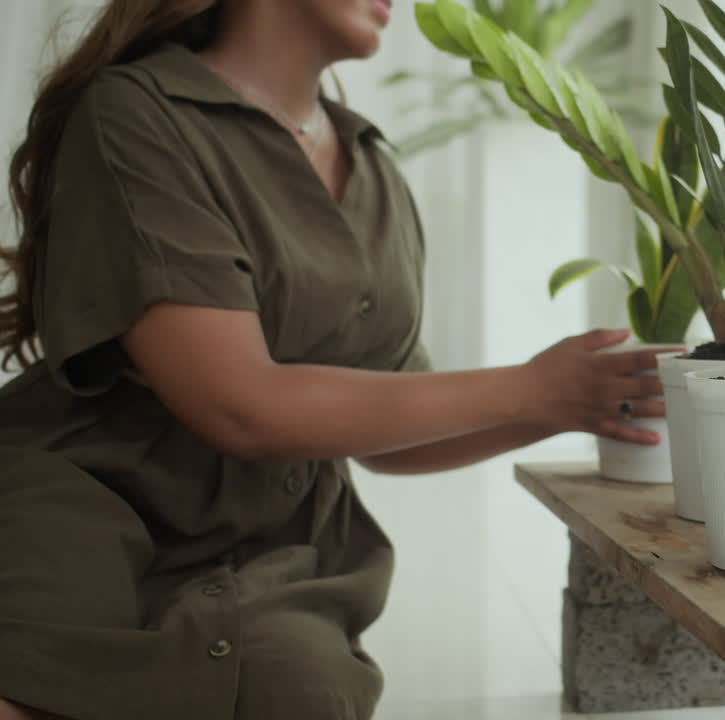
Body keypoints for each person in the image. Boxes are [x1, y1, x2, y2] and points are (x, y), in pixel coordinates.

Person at [0, 1, 672, 718]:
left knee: (304, 690)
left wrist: (580, 400)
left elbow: (391, 434)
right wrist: (535, 392)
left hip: (273, 555)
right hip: (89, 514)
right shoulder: (135, 114)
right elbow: (239, 404)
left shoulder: (377, 171)